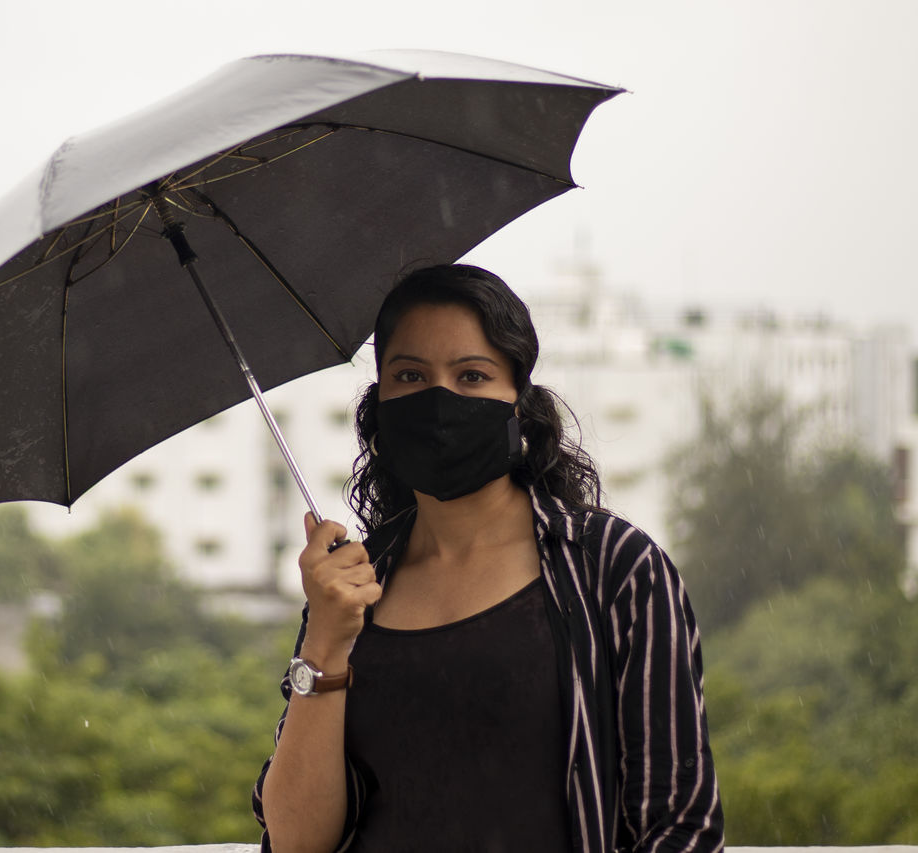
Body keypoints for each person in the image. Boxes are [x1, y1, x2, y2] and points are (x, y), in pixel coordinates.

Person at [251, 264, 723, 852]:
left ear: (519, 403)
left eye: (472, 375)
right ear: (379, 405)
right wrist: (324, 643)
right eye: (410, 375)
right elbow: (297, 843)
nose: (440, 399)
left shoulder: (612, 567)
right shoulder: (353, 587)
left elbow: (680, 827)